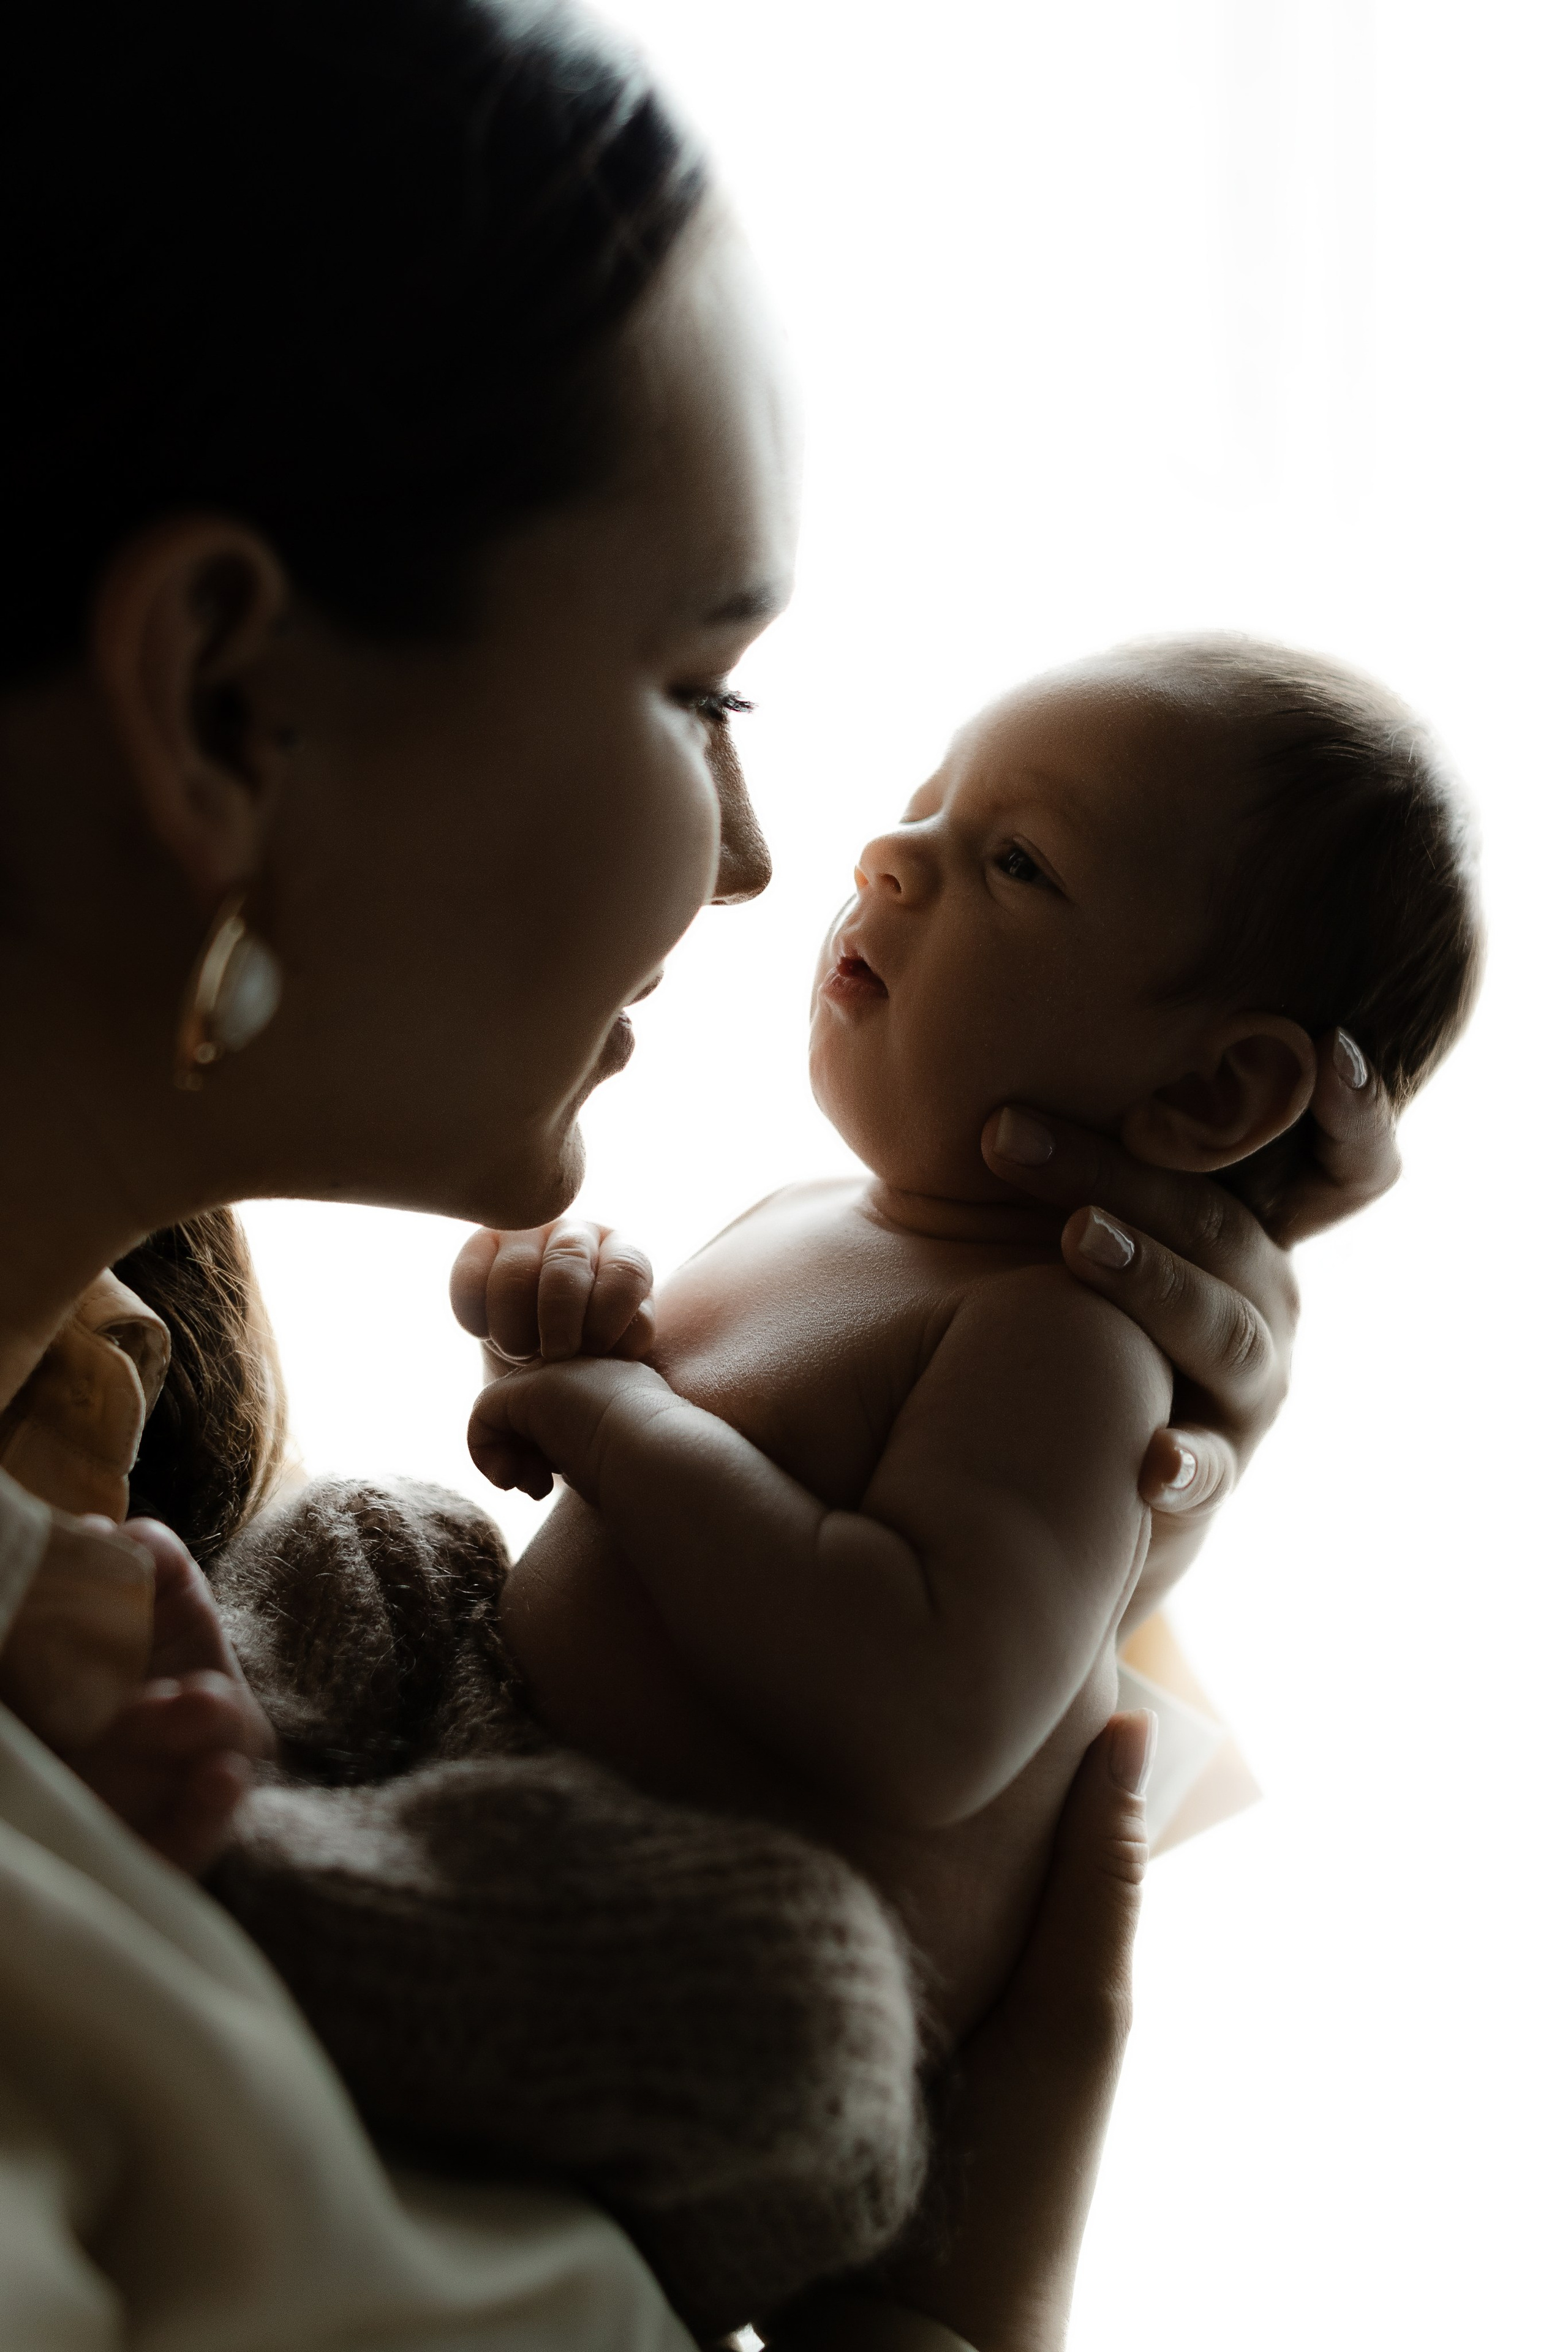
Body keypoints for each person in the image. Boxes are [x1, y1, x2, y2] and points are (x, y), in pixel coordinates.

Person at [0, 1, 1400, 2345]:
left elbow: (901, 1711)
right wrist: (972, 2298)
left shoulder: (122, 1459)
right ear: (232, 705)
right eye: (706, 689)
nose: (769, 862)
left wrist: (1083, 1461)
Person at [454, 633, 1479, 2071]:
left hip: (687, 1994)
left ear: (1216, 1084)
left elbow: (927, 1713)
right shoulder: (807, 1217)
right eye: (923, 805)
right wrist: (548, 1320)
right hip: (503, 1815)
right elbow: (611, 1462)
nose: (884, 853)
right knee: (388, 1548)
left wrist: (613, 1417)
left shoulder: (1061, 1342)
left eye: (1018, 864)